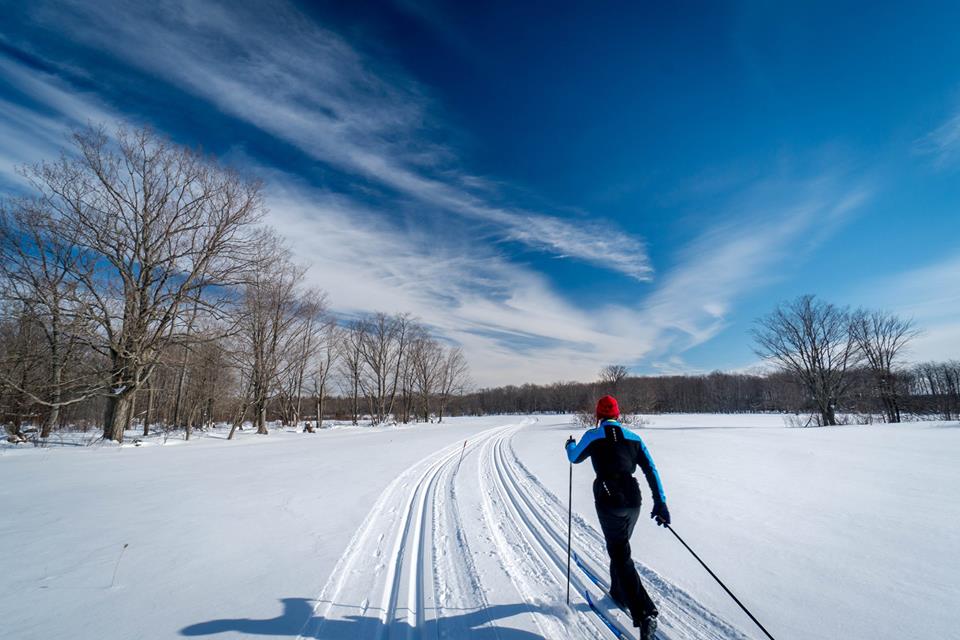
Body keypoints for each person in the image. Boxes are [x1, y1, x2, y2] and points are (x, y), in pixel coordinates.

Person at [565, 395, 669, 639]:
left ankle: (645, 613)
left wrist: (569, 445)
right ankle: (618, 591)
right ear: (618, 415)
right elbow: (650, 469)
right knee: (620, 547)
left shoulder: (593, 435)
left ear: (598, 415)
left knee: (619, 552)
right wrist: (660, 502)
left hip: (609, 499)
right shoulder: (634, 438)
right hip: (634, 501)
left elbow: (574, 457)